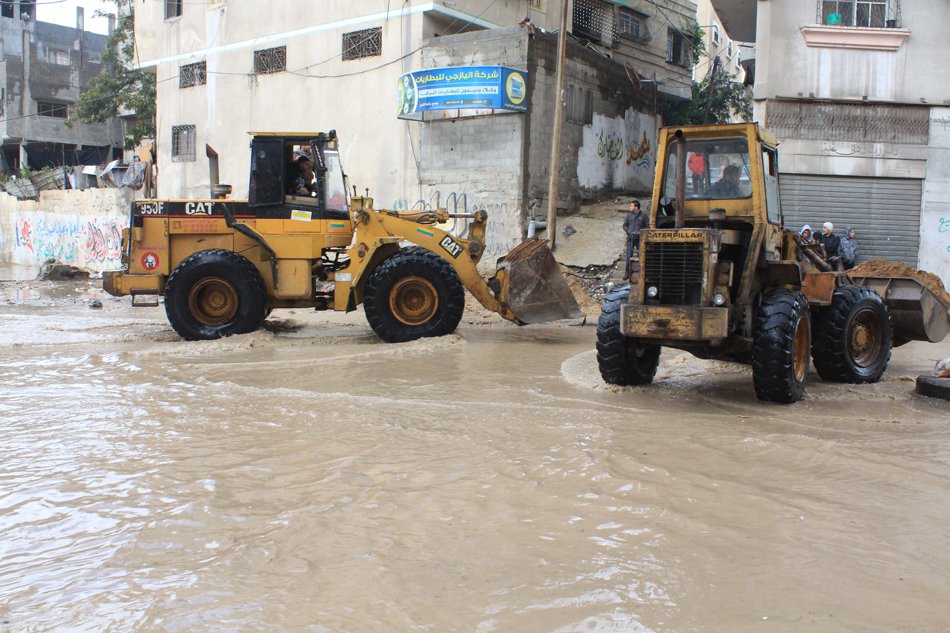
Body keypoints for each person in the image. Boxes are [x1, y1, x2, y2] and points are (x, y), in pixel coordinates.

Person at [623, 200, 649, 278]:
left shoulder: (644, 216)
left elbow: (647, 227)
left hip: (639, 239)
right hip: (631, 238)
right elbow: (624, 225)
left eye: (631, 206)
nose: (630, 207)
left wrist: (641, 234)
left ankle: (642, 273)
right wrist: (628, 232)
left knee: (641, 255)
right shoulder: (629, 216)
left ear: (636, 207)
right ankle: (627, 272)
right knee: (628, 256)